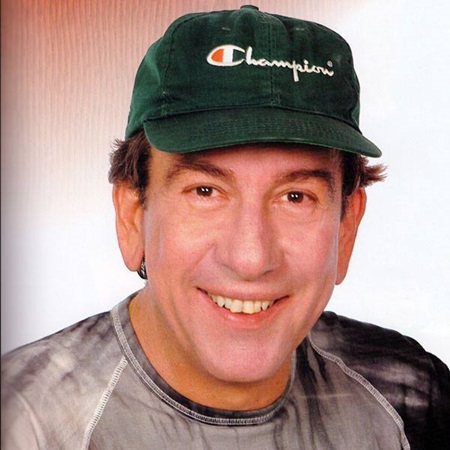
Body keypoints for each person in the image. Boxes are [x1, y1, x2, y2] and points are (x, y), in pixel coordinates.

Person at [1, 5, 449, 449]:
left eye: (295, 197)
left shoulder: (411, 398)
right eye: (205, 192)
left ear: (346, 226)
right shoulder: (24, 422)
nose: (251, 258)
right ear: (133, 215)